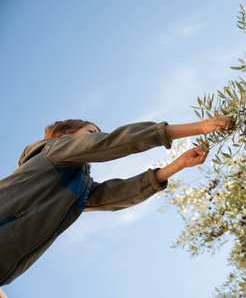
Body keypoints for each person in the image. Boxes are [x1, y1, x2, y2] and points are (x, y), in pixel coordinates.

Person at [0, 117, 232, 286]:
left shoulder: (78, 191)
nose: (96, 136)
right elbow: (109, 144)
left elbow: (116, 195)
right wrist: (197, 127)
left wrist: (177, 165)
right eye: (91, 131)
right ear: (65, 134)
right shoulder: (53, 150)